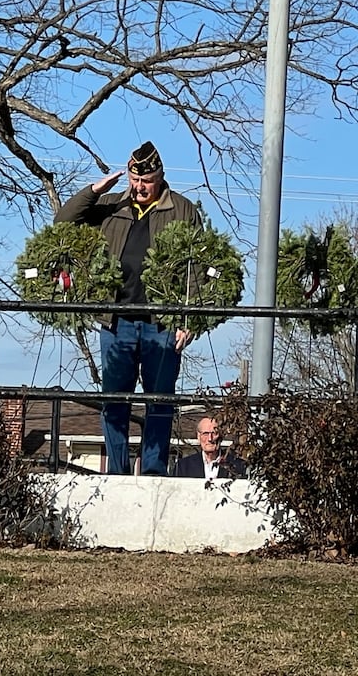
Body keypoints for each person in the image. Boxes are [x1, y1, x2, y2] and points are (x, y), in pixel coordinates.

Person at [55, 141, 201, 475]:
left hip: (161, 324)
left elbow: (198, 264)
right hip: (115, 320)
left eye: (146, 181)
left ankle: (152, 473)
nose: (139, 187)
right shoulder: (111, 205)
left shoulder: (182, 209)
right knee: (114, 402)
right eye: (135, 181)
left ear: (160, 177)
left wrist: (189, 318)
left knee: (159, 401)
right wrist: (95, 190)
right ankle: (116, 474)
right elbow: (63, 220)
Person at [174, 416, 246, 480]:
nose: (210, 438)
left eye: (214, 433)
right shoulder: (183, 466)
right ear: (198, 436)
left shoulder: (238, 465)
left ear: (221, 436)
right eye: (205, 433)